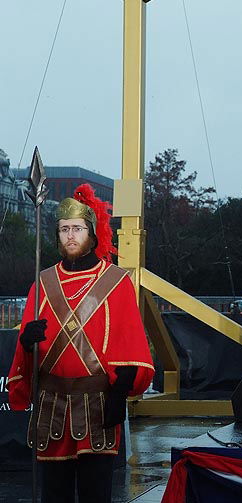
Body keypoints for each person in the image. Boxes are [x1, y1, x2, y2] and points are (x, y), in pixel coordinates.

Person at [7, 184, 154, 503]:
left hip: (98, 404)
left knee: (95, 493)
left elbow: (129, 344)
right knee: (54, 494)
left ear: (93, 233)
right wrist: (27, 342)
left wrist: (119, 395)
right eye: (63, 229)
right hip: (51, 405)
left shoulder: (116, 282)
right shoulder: (43, 281)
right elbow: (26, 359)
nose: (70, 235)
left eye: (77, 228)